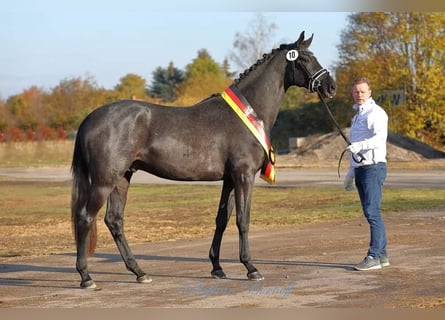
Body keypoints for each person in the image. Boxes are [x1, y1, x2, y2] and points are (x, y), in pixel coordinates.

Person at [344, 77, 390, 271]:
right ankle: (382, 255)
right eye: (356, 92)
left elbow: (379, 139)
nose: (359, 95)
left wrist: (361, 145)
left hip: (373, 167)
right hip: (361, 168)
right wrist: (350, 172)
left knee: (372, 212)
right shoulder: (357, 116)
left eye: (362, 92)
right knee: (370, 212)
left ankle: (373, 255)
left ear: (370, 92)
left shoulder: (376, 113)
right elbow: (354, 148)